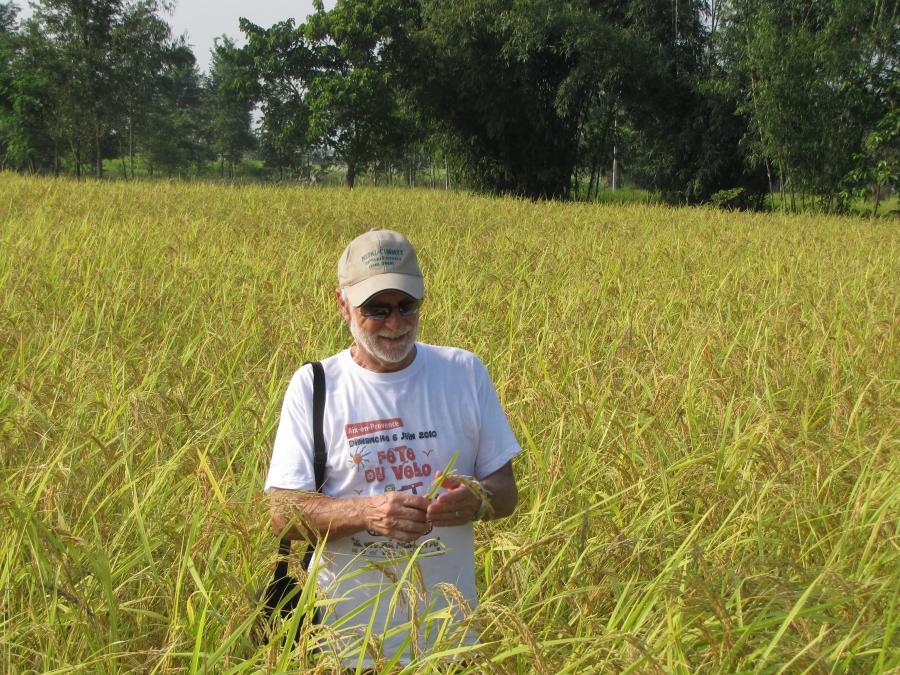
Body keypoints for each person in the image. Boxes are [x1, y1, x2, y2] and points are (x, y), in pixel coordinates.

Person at [264, 229, 521, 668]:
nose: (395, 324)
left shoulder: (463, 372)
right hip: (346, 648)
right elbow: (283, 514)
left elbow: (505, 490)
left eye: (407, 307)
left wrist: (477, 501)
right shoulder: (314, 386)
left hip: (449, 641)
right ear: (342, 304)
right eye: (377, 310)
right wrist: (368, 513)